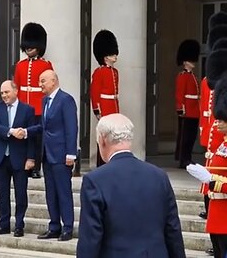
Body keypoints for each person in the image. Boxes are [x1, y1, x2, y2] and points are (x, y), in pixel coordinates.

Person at [76, 113, 186, 258]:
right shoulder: (159, 176)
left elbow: (90, 239)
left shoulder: (95, 180)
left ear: (102, 140)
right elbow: (173, 231)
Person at [25, 69, 78, 241]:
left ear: (53, 81)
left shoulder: (66, 100)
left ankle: (68, 227)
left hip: (62, 155)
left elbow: (71, 128)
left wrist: (71, 153)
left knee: (63, 192)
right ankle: (54, 226)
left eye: (43, 81)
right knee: (51, 193)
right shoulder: (44, 100)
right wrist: (26, 131)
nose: (40, 84)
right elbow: (43, 127)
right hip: (47, 155)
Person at [0, 80, 36, 238]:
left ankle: (19, 225)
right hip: (1, 157)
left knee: (21, 194)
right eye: (2, 93)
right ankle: (4, 224)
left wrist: (31, 158)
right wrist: (11, 131)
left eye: (7, 92)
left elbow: (32, 138)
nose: (4, 95)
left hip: (20, 158)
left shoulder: (27, 110)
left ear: (16, 91)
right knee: (3, 194)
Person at [187, 75, 227, 258]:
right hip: (218, 212)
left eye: (221, 120)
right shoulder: (223, 145)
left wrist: (211, 180)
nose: (217, 122)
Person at [14, 22, 54, 178]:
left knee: (37, 139)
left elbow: (49, 87)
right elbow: (16, 86)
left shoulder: (46, 64)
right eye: (27, 45)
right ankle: (25, 165)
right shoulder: (20, 65)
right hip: (24, 105)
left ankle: (36, 167)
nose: (29, 48)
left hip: (38, 106)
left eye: (32, 45)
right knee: (24, 137)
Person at [90, 29, 120, 167]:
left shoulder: (115, 72)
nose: (115, 56)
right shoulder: (99, 72)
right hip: (105, 107)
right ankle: (101, 163)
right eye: (112, 54)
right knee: (103, 138)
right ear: (105, 56)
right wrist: (97, 109)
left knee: (113, 137)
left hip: (113, 106)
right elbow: (95, 92)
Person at [174, 39, 201, 169]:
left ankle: (188, 157)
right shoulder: (182, 76)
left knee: (191, 136)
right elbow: (180, 94)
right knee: (185, 136)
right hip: (187, 110)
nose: (193, 62)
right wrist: (180, 108)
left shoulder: (193, 77)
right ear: (185, 62)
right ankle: (183, 159)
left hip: (195, 109)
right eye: (191, 60)